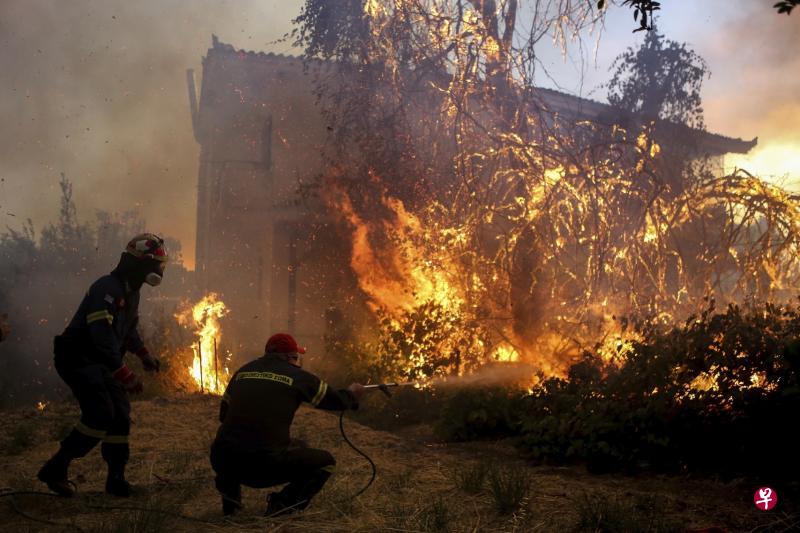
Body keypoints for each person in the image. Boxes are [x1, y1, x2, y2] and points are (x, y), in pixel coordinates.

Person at [37, 233, 168, 497]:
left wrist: (144, 356)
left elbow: (128, 331)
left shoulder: (131, 293)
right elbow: (101, 335)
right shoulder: (106, 288)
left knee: (120, 415)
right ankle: (56, 468)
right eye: (156, 264)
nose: (158, 271)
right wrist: (124, 373)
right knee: (100, 414)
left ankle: (116, 481)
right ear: (140, 263)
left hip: (101, 361)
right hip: (78, 358)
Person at [211, 333, 365, 516]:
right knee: (325, 462)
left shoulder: (242, 372)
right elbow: (336, 401)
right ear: (289, 357)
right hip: (262, 467)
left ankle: (231, 504)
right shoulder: (298, 376)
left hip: (222, 459)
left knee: (233, 443)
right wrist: (352, 394)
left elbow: (224, 415)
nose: (297, 361)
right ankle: (282, 505)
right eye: (296, 357)